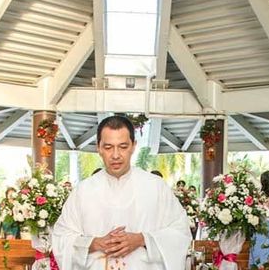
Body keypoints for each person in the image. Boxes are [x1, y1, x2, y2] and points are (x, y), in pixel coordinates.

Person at [52, 115, 192, 269]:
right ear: (98, 147)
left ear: (133, 146)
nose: (116, 155)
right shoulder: (83, 191)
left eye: (123, 147)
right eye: (108, 147)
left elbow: (180, 232)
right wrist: (93, 243)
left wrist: (141, 239)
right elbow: (61, 237)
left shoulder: (156, 187)